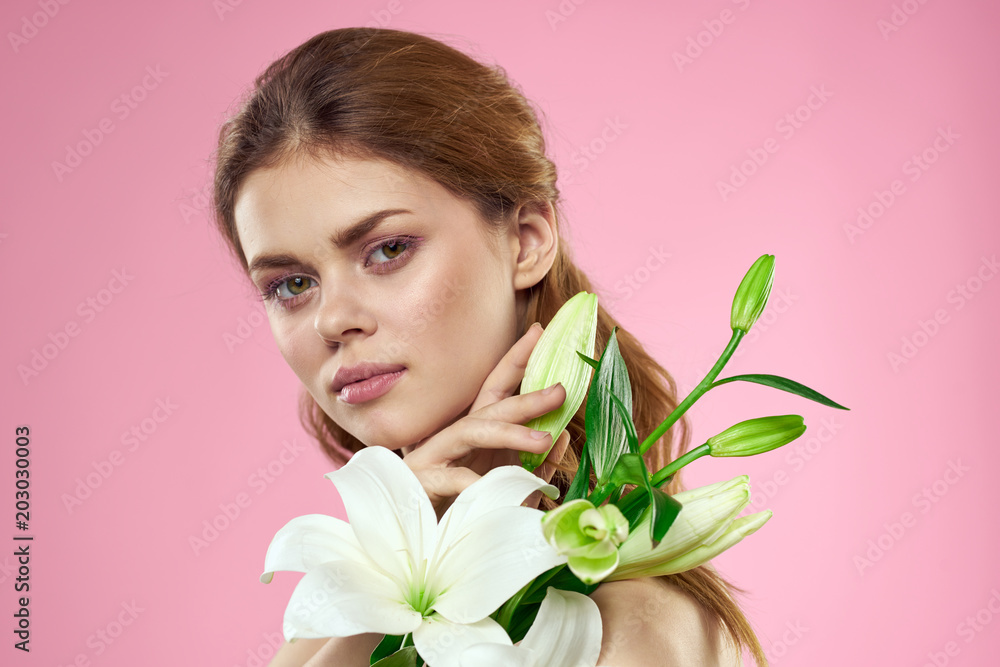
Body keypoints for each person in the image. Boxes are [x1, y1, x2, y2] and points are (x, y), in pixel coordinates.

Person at [211, 27, 767, 666]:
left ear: (527, 239)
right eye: (291, 285)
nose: (332, 320)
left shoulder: (630, 622)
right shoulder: (333, 612)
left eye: (387, 249)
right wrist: (397, 553)